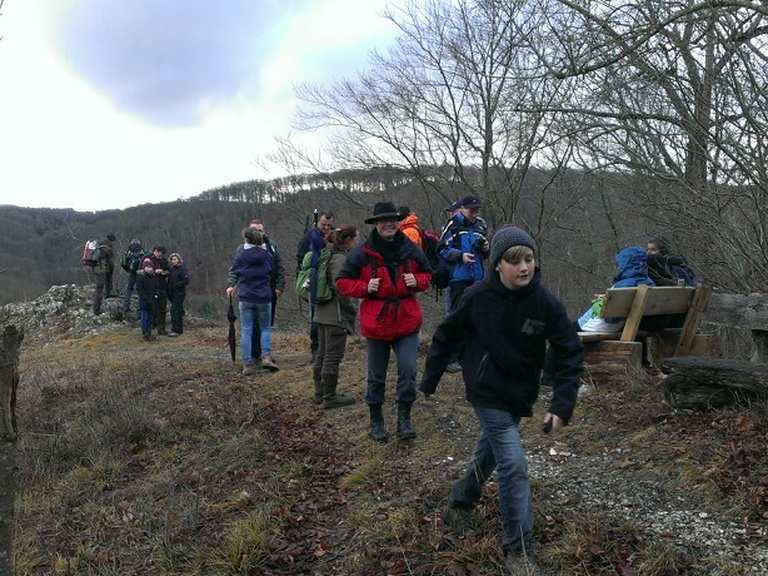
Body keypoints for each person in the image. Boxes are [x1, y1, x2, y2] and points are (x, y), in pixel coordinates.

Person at [419, 226, 583, 574]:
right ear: (497, 265)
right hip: (486, 389)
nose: (524, 267)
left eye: (529, 259)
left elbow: (570, 352)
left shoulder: (546, 304)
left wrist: (560, 405)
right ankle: (518, 549)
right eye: (514, 261)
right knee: (513, 464)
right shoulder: (477, 297)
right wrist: (430, 380)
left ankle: (461, 501)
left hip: (520, 392)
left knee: (490, 450)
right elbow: (447, 335)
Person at [336, 202, 431, 442]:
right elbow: (342, 283)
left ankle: (404, 420)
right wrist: (365, 287)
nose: (388, 224)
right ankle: (376, 421)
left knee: (408, 371)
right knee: (376, 376)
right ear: (376, 224)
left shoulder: (411, 248)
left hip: (406, 320)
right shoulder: (362, 252)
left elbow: (428, 274)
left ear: (399, 222)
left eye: (393, 219)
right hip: (376, 322)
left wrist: (416, 282)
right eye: (383, 220)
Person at [439, 196, 490, 372]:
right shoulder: (453, 225)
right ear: (462, 208)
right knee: (455, 317)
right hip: (458, 279)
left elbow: (485, 253)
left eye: (477, 210)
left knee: (476, 317)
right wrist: (460, 256)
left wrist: (485, 249)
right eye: (471, 210)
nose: (474, 214)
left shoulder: (480, 226)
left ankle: (468, 354)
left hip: (478, 278)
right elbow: (442, 249)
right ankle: (449, 358)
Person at [313, 226, 359, 409]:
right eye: (354, 238)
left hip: (322, 313)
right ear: (348, 240)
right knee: (332, 357)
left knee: (322, 355)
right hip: (335, 315)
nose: (355, 242)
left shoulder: (326, 256)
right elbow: (342, 289)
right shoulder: (340, 259)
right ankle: (330, 397)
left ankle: (320, 393)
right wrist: (351, 311)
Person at [227, 227, 278, 374]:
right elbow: (272, 269)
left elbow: (235, 271)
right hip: (264, 296)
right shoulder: (266, 255)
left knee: (246, 330)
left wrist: (231, 286)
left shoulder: (241, 255)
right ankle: (266, 357)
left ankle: (247, 363)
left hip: (246, 296)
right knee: (265, 328)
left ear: (247, 239)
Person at [296, 210, 334, 361]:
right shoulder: (309, 237)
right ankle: (316, 350)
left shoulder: (332, 236)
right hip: (313, 282)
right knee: (315, 317)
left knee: (326, 317)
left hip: (328, 283)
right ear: (318, 222)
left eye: (328, 225)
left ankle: (325, 349)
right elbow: (299, 257)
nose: (326, 227)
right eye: (323, 224)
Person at [92, 233, 116, 315]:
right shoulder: (107, 248)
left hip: (97, 269)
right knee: (99, 289)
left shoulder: (99, 245)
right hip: (102, 270)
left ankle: (98, 307)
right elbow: (110, 261)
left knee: (99, 288)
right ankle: (96, 310)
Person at [167, 252, 190, 336]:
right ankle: (176, 329)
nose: (173, 261)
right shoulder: (171, 269)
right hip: (172, 294)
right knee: (177, 311)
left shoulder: (182, 269)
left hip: (179, 293)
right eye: (172, 259)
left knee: (174, 311)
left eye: (175, 259)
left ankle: (177, 330)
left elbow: (186, 280)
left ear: (178, 260)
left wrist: (176, 285)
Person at [149, 246, 170, 335]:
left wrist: (162, 272)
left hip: (162, 287)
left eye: (161, 254)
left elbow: (169, 271)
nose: (159, 255)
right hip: (151, 287)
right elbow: (143, 271)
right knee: (152, 308)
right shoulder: (148, 260)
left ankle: (161, 328)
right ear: (154, 251)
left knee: (162, 309)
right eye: (158, 252)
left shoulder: (164, 261)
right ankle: (152, 326)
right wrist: (154, 271)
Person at [121, 239, 145, 313]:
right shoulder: (142, 251)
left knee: (129, 289)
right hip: (140, 273)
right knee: (141, 291)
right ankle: (140, 309)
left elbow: (123, 263)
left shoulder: (129, 251)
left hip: (132, 273)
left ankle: (126, 306)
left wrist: (128, 270)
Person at [135, 257, 157, 341]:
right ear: (144, 268)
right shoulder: (140, 277)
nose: (149, 269)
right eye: (147, 267)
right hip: (144, 301)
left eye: (150, 267)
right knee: (144, 317)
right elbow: (140, 290)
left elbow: (155, 288)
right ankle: (145, 333)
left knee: (150, 318)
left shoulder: (152, 277)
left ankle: (149, 333)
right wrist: (146, 299)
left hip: (152, 300)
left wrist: (155, 296)